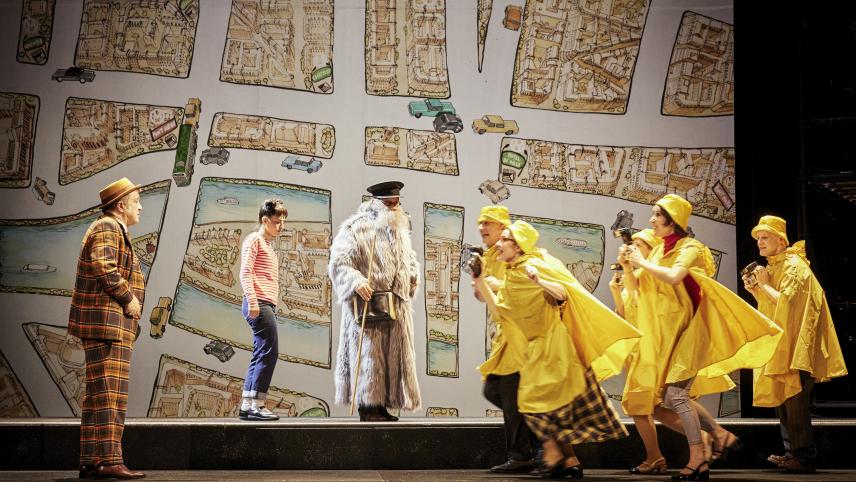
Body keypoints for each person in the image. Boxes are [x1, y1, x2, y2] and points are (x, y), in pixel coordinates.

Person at [621, 194, 783, 480]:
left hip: (692, 332)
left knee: (675, 395)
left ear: (672, 219)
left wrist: (641, 261)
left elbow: (674, 276)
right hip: (669, 337)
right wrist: (628, 266)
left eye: (657, 215)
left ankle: (699, 457)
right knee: (668, 398)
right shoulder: (657, 253)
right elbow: (638, 290)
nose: (651, 220)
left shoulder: (691, 248)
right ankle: (713, 442)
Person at [473, 220, 642, 478]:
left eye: (505, 239)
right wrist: (481, 281)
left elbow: (563, 293)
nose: (499, 244)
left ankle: (553, 454)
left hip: (553, 347)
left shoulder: (533, 265)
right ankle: (565, 460)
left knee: (537, 403)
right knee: (541, 405)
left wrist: (539, 280)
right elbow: (502, 313)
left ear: (518, 246)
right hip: (533, 349)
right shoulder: (513, 272)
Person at [610, 229, 736, 475]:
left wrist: (635, 267)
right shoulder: (637, 279)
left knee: (658, 401)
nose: (632, 249)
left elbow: (662, 315)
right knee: (653, 405)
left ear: (652, 250)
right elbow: (625, 315)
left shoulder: (656, 279)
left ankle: (703, 440)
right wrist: (620, 285)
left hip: (657, 352)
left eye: (639, 245)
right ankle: (699, 441)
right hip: (642, 352)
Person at [744, 215, 847, 474]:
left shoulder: (794, 266)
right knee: (785, 397)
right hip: (784, 344)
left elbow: (788, 305)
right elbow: (773, 306)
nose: (760, 242)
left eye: (765, 237)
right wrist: (757, 290)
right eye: (758, 238)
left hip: (798, 345)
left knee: (795, 400)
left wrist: (764, 285)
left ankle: (804, 456)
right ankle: (792, 453)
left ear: (781, 240)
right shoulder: (775, 266)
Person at [67, 178, 146, 480]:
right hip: (107, 324)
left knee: (99, 394)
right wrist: (129, 298)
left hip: (108, 325)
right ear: (121, 205)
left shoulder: (112, 228)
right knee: (111, 395)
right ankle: (109, 460)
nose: (140, 207)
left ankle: (91, 459)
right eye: (136, 201)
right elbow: (104, 266)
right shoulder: (108, 227)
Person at [330, 181, 421, 421]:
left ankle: (381, 406)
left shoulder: (400, 229)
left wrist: (412, 276)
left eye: (396, 203)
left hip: (396, 306)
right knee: (369, 356)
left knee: (390, 358)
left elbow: (408, 259)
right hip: (369, 304)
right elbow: (339, 263)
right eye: (389, 203)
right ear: (376, 203)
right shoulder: (357, 228)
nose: (394, 207)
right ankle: (368, 408)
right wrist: (356, 281)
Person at [472, 206, 537, 473]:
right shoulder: (489, 255)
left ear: (503, 228)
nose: (481, 227)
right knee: (497, 392)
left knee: (510, 396)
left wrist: (489, 283)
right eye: (480, 223)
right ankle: (540, 446)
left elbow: (513, 291)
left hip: (518, 336)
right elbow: (484, 296)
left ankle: (525, 453)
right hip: (504, 334)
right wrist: (480, 282)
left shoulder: (518, 259)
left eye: (488, 222)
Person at [238, 199, 288, 421]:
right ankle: (257, 405)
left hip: (265, 303)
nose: (281, 226)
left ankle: (247, 404)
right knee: (269, 352)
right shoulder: (254, 240)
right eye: (277, 222)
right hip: (259, 302)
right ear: (264, 220)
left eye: (283, 222)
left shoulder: (267, 245)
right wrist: (253, 301)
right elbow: (245, 272)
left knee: (261, 352)